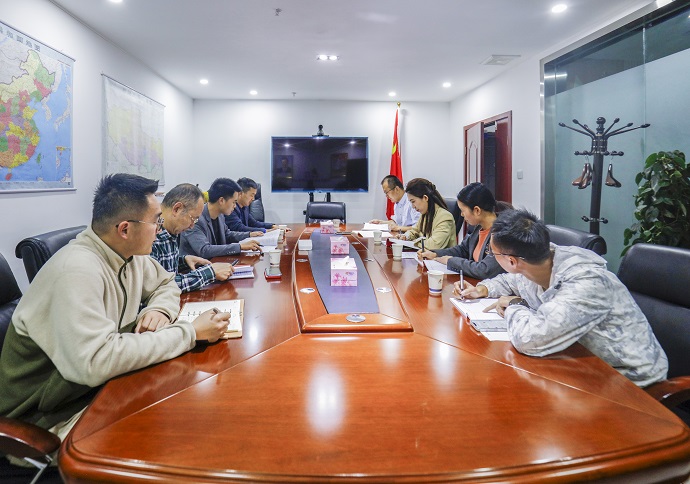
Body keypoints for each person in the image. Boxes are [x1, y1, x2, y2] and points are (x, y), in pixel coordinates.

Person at [0, 174, 230, 441]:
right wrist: (190, 333)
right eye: (155, 221)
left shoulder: (128, 255)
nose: (159, 229)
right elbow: (97, 361)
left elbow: (166, 283)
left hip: (98, 388)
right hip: (48, 416)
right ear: (124, 229)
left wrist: (158, 310)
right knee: (178, 431)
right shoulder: (75, 271)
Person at [455, 209, 668, 388]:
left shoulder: (586, 282)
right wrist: (482, 288)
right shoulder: (539, 260)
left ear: (511, 261)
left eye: (492, 253)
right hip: (575, 360)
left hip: (627, 380)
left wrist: (514, 305)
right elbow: (511, 280)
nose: (491, 257)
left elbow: (530, 339)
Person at [151, 183, 235, 292]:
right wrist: (210, 272)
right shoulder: (151, 235)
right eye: (193, 219)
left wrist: (183, 261)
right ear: (177, 209)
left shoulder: (171, 230)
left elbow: (164, 266)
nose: (192, 226)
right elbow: (161, 286)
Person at [418, 182, 505, 279]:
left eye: (463, 210)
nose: (461, 215)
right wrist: (435, 254)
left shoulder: (502, 234)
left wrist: (450, 261)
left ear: (477, 210)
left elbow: (484, 270)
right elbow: (463, 249)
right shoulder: (479, 228)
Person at [181, 177, 261, 259]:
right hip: (198, 266)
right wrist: (239, 247)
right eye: (234, 202)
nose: (234, 206)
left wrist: (249, 235)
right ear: (221, 200)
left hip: (217, 262)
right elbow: (204, 250)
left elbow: (227, 235)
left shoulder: (220, 215)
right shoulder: (196, 219)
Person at [396, 178, 455, 250]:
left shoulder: (445, 217)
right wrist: (405, 236)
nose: (413, 206)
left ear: (425, 198)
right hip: (425, 255)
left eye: (413, 201)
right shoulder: (425, 213)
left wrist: (414, 242)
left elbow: (433, 245)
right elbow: (415, 230)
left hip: (441, 257)